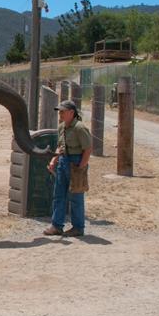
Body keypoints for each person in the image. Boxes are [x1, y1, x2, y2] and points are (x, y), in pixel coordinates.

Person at [44, 99, 91, 237]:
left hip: (76, 162)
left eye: (63, 112)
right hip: (63, 161)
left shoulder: (79, 128)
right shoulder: (62, 127)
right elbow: (60, 146)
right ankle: (56, 226)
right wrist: (54, 160)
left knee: (76, 196)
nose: (61, 114)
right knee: (59, 194)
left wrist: (81, 167)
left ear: (71, 112)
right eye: (60, 112)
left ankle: (78, 227)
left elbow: (88, 149)